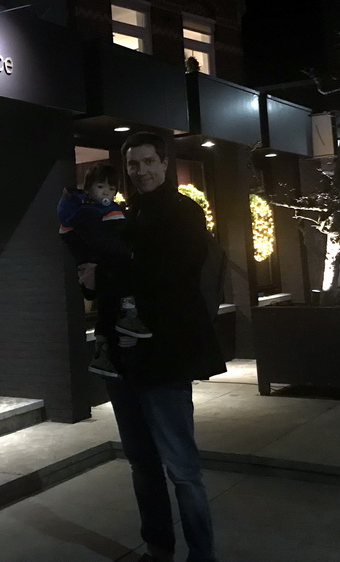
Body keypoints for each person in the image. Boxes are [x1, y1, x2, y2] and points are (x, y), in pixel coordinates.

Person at [80, 131, 226, 562]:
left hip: (165, 359)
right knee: (142, 466)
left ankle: (202, 555)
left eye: (147, 162)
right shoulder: (121, 215)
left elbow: (172, 278)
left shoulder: (185, 213)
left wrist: (106, 277)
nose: (140, 171)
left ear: (164, 164)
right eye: (133, 165)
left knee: (182, 470)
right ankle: (158, 549)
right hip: (124, 363)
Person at [58, 163, 151, 378]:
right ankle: (114, 337)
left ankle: (105, 351)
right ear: (89, 189)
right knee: (111, 305)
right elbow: (109, 246)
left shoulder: (89, 210)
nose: (107, 193)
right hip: (101, 270)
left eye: (111, 189)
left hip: (99, 273)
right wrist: (128, 255)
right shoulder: (89, 213)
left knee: (108, 308)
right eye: (101, 187)